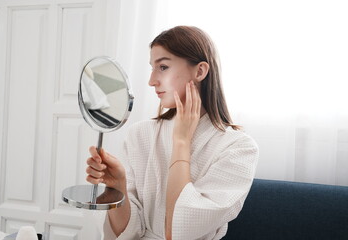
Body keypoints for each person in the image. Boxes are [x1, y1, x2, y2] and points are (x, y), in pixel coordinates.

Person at [86, 26, 259, 240]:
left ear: (200, 71)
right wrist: (118, 186)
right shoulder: (140, 134)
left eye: (163, 67)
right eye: (152, 68)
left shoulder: (238, 148)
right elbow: (127, 233)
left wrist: (181, 142)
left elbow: (178, 233)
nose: (151, 81)